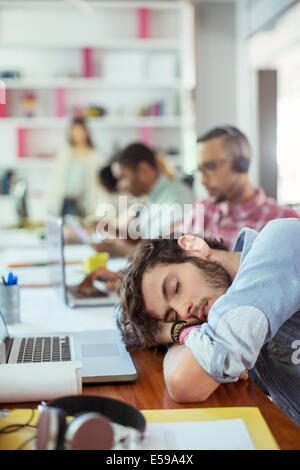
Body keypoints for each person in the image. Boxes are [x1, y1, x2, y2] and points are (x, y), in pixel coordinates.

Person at [117, 218, 300, 427]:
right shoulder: (222, 315)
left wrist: (175, 331)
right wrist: (179, 333)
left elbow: (184, 380)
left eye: (176, 287)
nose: (183, 312)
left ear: (193, 248)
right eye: (173, 317)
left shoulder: (281, 242)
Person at [177, 126, 300, 249]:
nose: (202, 180)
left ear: (241, 164)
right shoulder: (200, 211)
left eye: (211, 166)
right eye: (200, 170)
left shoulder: (284, 219)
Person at [90, 142, 194, 257]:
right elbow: (147, 241)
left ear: (143, 170)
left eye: (123, 177)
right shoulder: (150, 198)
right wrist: (115, 231)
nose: (120, 185)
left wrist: (119, 250)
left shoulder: (177, 195)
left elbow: (171, 249)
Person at [46, 117, 102, 218]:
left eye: (80, 131)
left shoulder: (95, 156)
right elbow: (56, 180)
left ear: (86, 132)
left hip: (84, 204)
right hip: (64, 202)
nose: (78, 134)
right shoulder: (64, 153)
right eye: (75, 131)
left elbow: (97, 186)